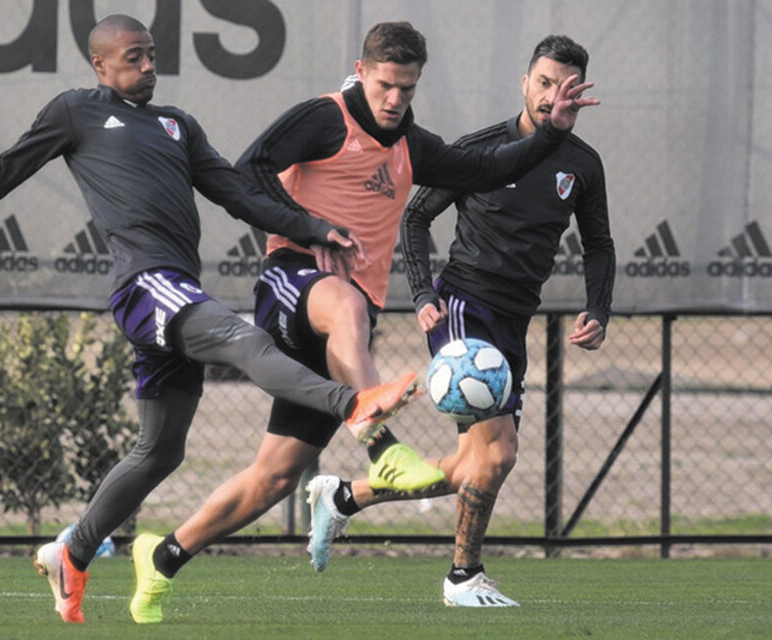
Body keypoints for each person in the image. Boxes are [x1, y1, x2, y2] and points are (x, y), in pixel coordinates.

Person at [0, 14, 428, 624]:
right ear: (101, 66)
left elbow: (237, 192)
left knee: (160, 450)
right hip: (146, 285)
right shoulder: (76, 112)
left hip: (177, 290)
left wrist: (310, 226)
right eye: (133, 57)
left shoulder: (177, 126)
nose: (147, 66)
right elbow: (7, 166)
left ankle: (73, 550)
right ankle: (353, 405)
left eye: (151, 55)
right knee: (241, 338)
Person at [128, 23, 599, 623]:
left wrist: (552, 132)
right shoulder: (325, 118)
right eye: (385, 85)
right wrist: (306, 227)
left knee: (275, 477)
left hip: (345, 326)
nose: (395, 99)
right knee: (347, 304)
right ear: (362, 69)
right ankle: (381, 446)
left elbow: (485, 169)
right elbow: (246, 172)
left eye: (407, 88)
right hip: (293, 283)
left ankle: (162, 556)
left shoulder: (412, 145)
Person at [305, 34, 616, 608]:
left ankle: (344, 498)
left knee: (482, 462)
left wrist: (597, 308)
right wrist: (423, 292)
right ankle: (462, 577)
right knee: (495, 455)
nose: (552, 95)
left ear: (580, 93)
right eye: (543, 82)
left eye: (565, 85)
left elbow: (598, 244)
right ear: (524, 83)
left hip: (513, 322)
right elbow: (417, 215)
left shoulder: (582, 166)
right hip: (463, 308)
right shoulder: (483, 151)